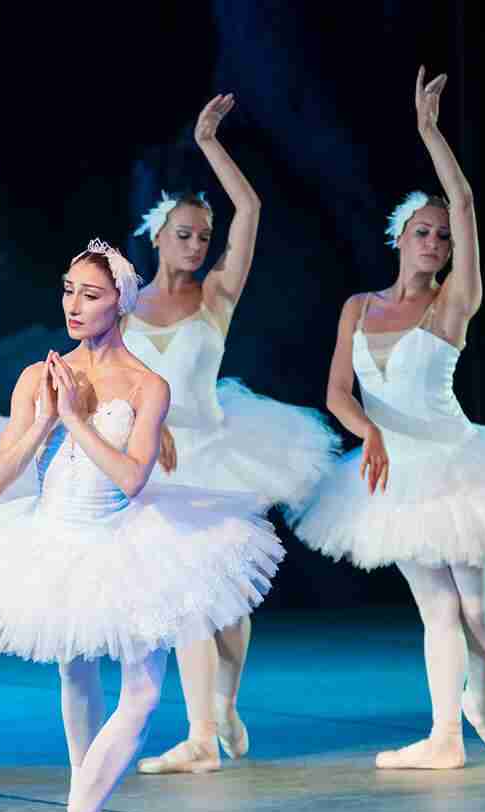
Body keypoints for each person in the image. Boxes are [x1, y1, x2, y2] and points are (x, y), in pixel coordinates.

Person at [0, 240, 283, 812]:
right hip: (54, 536)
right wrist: (46, 419)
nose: (74, 305)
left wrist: (77, 419)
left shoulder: (147, 385)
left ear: (121, 303)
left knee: (143, 691)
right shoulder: (39, 376)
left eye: (91, 294)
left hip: (126, 537)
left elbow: (133, 478)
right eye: (69, 290)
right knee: (74, 673)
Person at [291, 69, 485, 769]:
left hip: (460, 463)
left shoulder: (452, 303)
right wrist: (369, 432)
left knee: (473, 606)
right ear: (400, 238)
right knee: (437, 608)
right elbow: (337, 393)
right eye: (422, 232)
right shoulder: (358, 307)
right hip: (391, 470)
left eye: (441, 235)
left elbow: (463, 201)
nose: (434, 240)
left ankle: (481, 699)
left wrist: (429, 132)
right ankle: (444, 737)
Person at [127, 95, 339, 775]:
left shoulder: (215, 295)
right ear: (158, 235)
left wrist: (209, 143)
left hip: (218, 453)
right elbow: (110, 383)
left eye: (203, 235)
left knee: (226, 599)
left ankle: (223, 703)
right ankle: (198, 737)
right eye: (184, 234)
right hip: (156, 463)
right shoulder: (123, 306)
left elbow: (249, 209)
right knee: (185, 592)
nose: (196, 245)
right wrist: (138, 428)